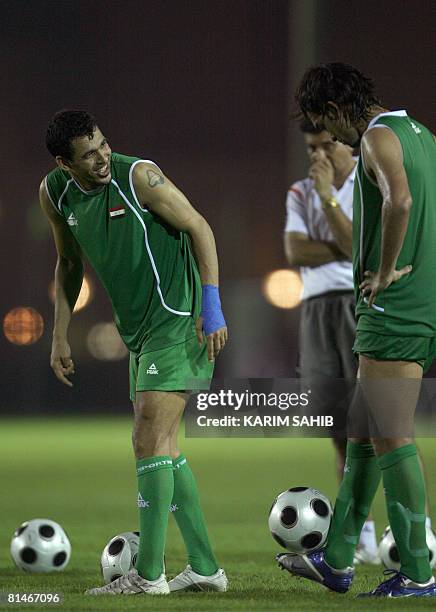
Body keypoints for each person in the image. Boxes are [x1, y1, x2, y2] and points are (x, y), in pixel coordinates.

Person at [40, 110, 229, 596]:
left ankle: (148, 577)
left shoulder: (139, 176)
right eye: (88, 154)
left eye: (103, 144)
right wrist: (60, 334)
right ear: (65, 163)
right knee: (164, 447)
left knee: (147, 440)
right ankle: (205, 568)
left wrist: (212, 304)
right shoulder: (55, 194)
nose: (102, 157)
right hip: (139, 333)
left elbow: (199, 227)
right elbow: (67, 262)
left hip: (179, 319)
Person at [277, 62, 436, 598]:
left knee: (391, 437)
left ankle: (418, 571)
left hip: (394, 308)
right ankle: (339, 557)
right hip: (422, 303)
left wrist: (388, 269)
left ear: (335, 110)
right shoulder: (422, 136)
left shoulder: (376, 137)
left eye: (325, 124)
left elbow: (401, 200)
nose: (330, 140)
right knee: (362, 432)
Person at [284, 119, 379, 563]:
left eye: (325, 146)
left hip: (359, 303)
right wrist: (345, 243)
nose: (317, 156)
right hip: (315, 307)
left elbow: (360, 246)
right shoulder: (299, 191)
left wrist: (329, 203)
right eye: (310, 148)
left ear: (347, 143)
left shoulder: (369, 178)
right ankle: (361, 534)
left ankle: (415, 533)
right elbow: (295, 252)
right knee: (337, 428)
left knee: (380, 425)